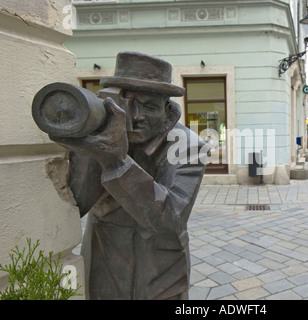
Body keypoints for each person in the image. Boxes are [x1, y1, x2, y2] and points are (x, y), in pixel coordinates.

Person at [50, 52, 207, 299]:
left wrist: (118, 163)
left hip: (161, 273)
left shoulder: (187, 146)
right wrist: (88, 146)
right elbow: (75, 206)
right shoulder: (103, 134)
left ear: (167, 111)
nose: (136, 116)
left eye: (149, 106)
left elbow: (171, 221)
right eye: (129, 104)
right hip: (105, 263)